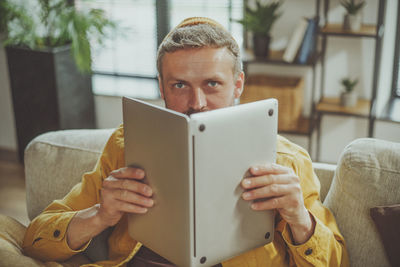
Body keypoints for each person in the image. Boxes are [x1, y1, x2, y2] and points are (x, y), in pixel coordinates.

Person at [23, 17, 349, 266]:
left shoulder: (286, 160)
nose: (198, 102)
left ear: (238, 85)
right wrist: (100, 216)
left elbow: (338, 260)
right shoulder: (126, 145)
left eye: (212, 83)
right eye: (179, 85)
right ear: (162, 88)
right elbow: (35, 238)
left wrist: (299, 219)